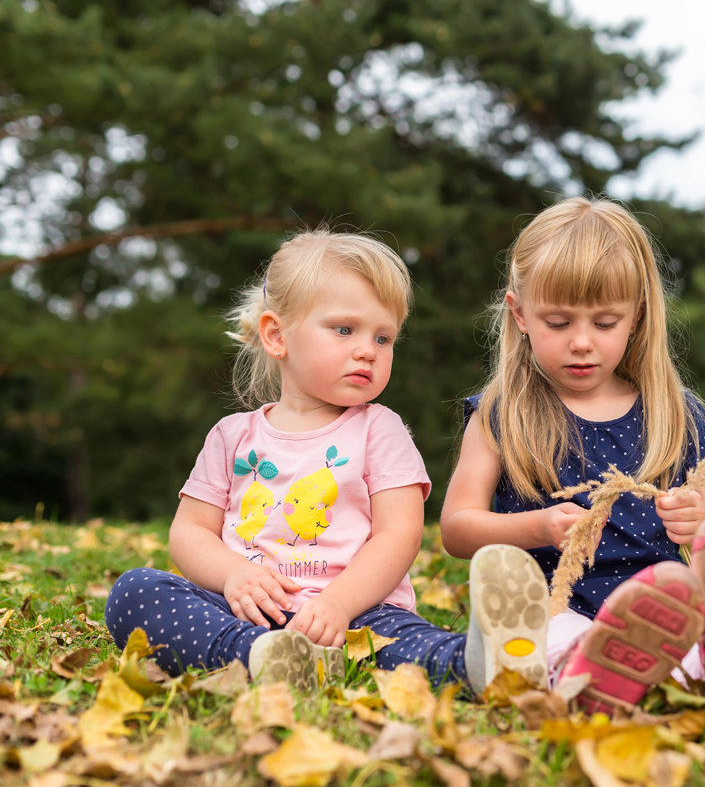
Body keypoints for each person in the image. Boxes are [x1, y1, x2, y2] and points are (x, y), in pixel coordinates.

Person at [104, 230, 549, 694]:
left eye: (383, 337)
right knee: (135, 591)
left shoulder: (380, 429)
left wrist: (338, 604)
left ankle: (475, 663)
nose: (367, 350)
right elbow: (189, 531)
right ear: (277, 335)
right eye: (344, 329)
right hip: (247, 612)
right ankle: (257, 655)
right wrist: (233, 575)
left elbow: (399, 534)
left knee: (401, 644)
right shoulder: (232, 436)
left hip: (358, 613)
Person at [441, 197, 705, 714]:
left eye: (605, 323)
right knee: (549, 640)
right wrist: (536, 528)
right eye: (559, 323)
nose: (582, 343)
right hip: (548, 605)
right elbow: (456, 528)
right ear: (519, 313)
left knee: (683, 647)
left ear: (637, 317)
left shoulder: (672, 412)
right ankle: (594, 670)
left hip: (661, 609)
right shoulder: (503, 412)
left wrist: (701, 520)